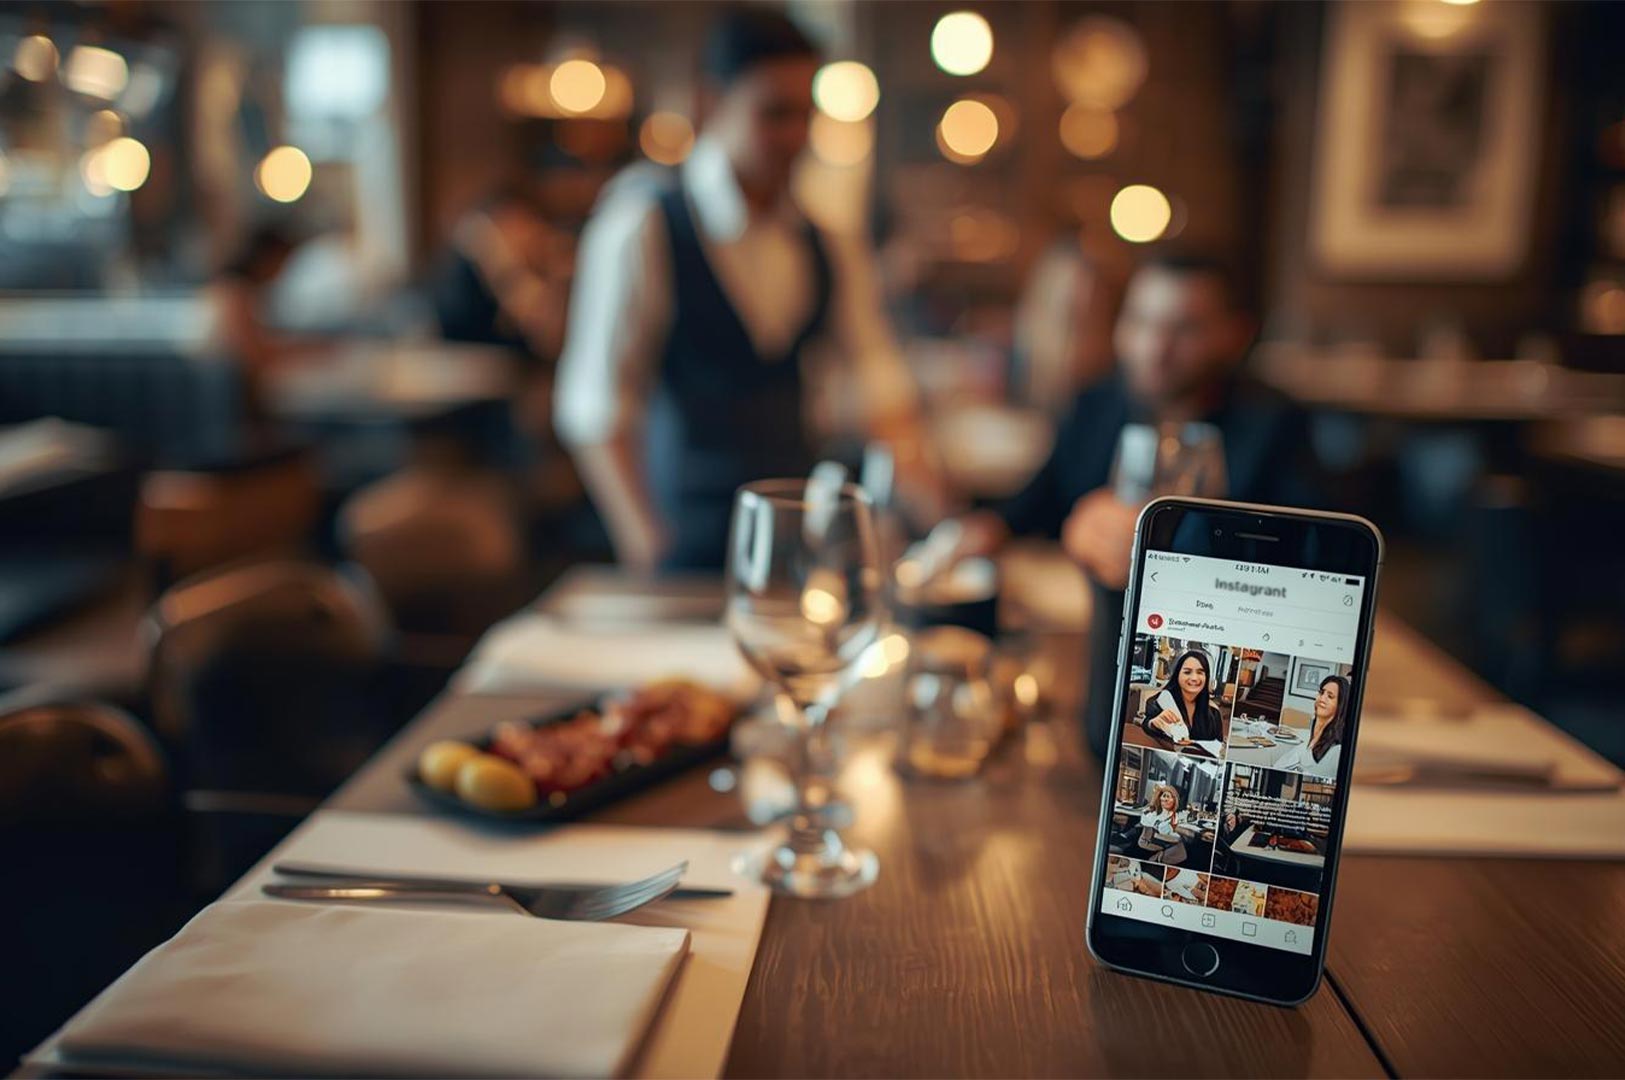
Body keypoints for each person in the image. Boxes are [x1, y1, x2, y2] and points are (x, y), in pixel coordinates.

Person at [553, 9, 937, 571]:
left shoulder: (826, 238)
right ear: (711, 103)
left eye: (808, 115)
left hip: (799, 549)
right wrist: (648, 547)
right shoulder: (645, 226)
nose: (796, 137)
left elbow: (881, 390)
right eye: (775, 113)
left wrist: (938, 512)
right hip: (683, 540)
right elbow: (597, 413)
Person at [938, 250, 1324, 756]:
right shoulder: (1099, 403)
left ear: (1236, 334)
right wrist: (983, 527)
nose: (1153, 347)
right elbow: (1045, 495)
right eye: (1140, 320)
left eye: (1183, 329)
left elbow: (1307, 560)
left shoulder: (1275, 424)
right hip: (1095, 651)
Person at [1140, 648, 1223, 744]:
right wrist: (1153, 724)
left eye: (1200, 672)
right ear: (1177, 674)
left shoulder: (1213, 713)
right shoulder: (1161, 701)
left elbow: (1219, 746)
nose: (1194, 678)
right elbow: (1147, 723)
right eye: (1187, 672)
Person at [1276, 674, 1349, 780]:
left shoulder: (1336, 752)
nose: (1322, 698)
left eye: (1330, 696)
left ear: (1340, 705)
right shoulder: (1308, 736)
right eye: (1321, 692)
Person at [1137, 783, 1187, 865]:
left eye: (1169, 797)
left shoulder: (1173, 815)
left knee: (1181, 842)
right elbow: (1148, 826)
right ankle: (1157, 859)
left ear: (1174, 800)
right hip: (1148, 840)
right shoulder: (1152, 812)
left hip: (1162, 838)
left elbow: (1170, 831)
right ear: (1160, 798)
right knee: (1180, 845)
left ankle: (1159, 858)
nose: (1166, 799)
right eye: (1164, 796)